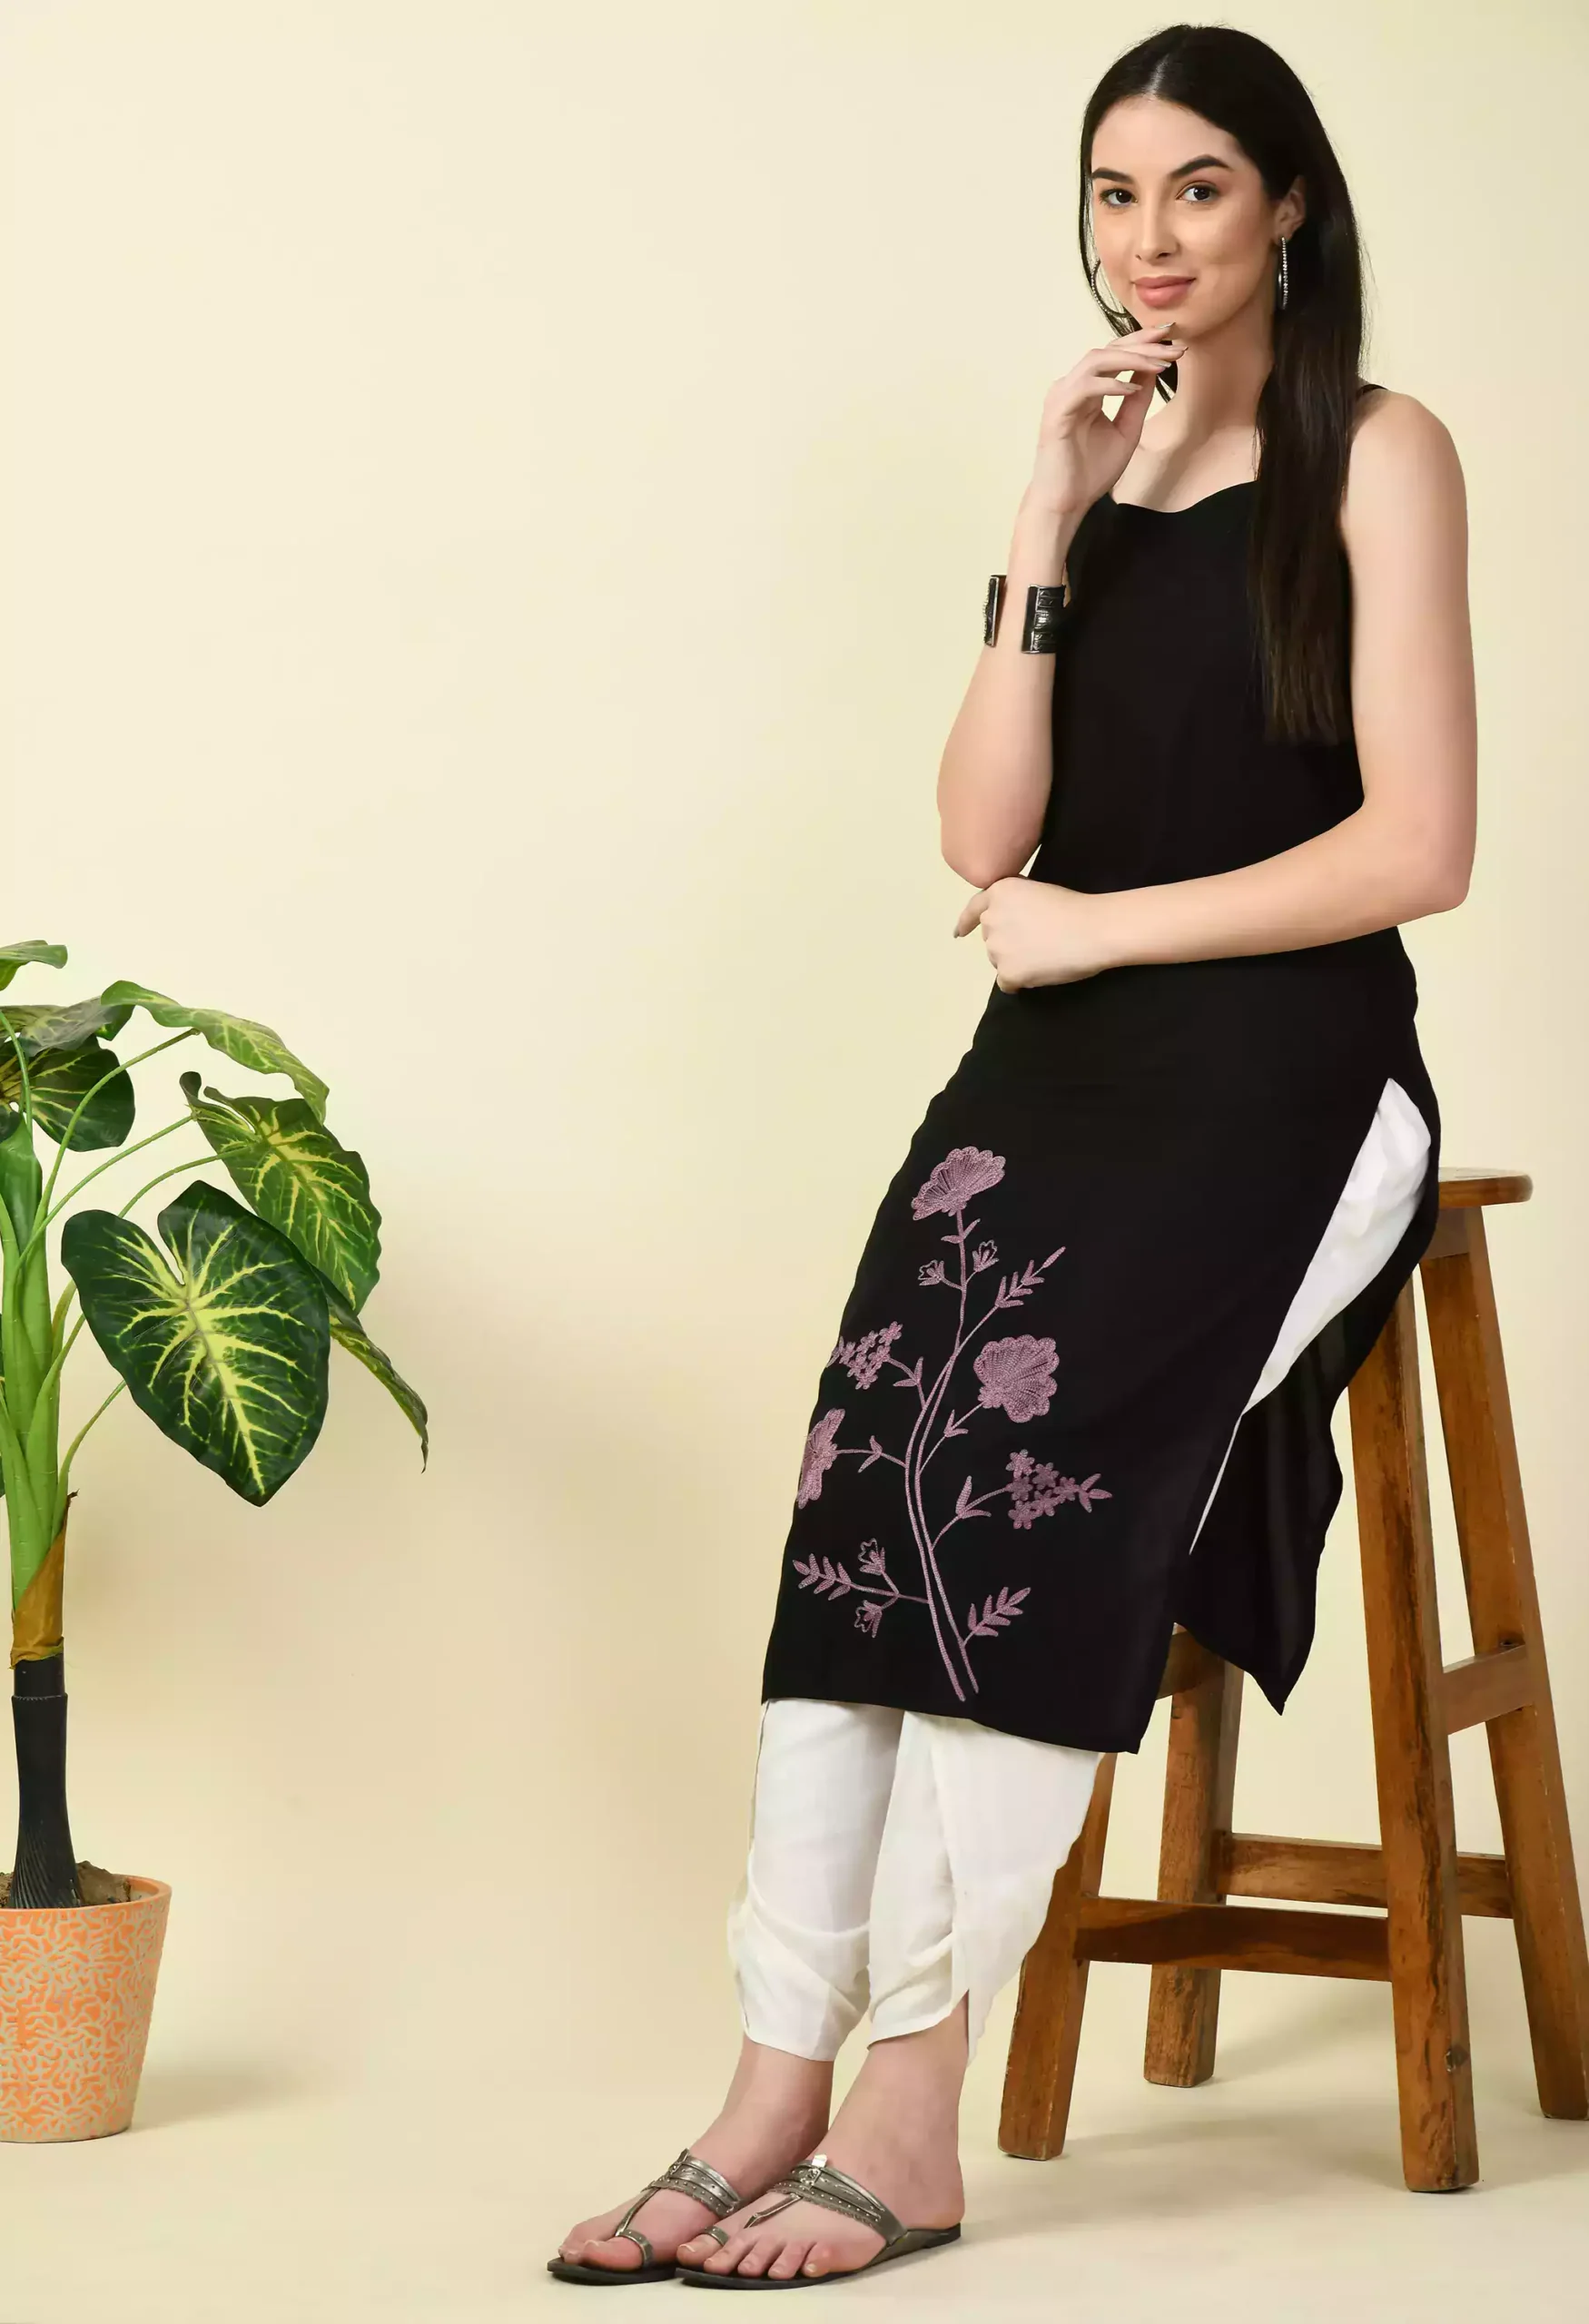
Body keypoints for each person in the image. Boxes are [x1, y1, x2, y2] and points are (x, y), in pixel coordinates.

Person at [550, 20, 1475, 2290]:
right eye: (1110, 194)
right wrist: (1039, 521)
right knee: (863, 1490)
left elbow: (1418, 846)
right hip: (1051, 1073)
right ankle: (770, 2073)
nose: (1144, 239)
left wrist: (1100, 929)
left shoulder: (1376, 451)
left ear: (1286, 207)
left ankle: (911, 2095)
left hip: (1292, 1077)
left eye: (1194, 189)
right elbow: (981, 833)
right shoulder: (1093, 463)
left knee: (1010, 1494)